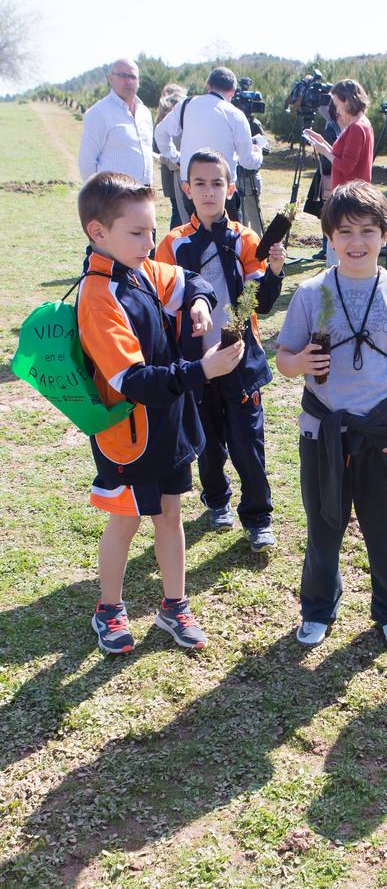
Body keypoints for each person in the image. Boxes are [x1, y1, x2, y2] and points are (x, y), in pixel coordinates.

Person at [76, 171, 245, 653]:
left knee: (170, 513)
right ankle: (108, 609)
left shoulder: (141, 268)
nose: (149, 243)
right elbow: (132, 381)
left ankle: (174, 605)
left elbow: (191, 280)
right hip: (128, 435)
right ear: (98, 232)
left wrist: (195, 301)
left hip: (168, 425)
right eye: (136, 233)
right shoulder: (98, 296)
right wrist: (202, 370)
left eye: (152, 231)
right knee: (126, 519)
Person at [275, 181, 387, 653]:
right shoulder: (313, 293)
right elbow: (283, 359)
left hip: (382, 432)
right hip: (322, 431)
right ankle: (318, 609)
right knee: (324, 528)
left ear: (386, 235)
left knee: (383, 531)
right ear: (329, 237)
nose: (356, 242)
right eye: (344, 232)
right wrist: (298, 362)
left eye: (368, 231)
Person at [156, 149, 286, 553]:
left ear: (230, 189)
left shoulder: (247, 239)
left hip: (241, 361)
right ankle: (216, 499)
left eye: (217, 184)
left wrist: (276, 271)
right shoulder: (173, 244)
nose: (209, 191)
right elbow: (162, 305)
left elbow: (260, 301)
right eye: (200, 183)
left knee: (248, 441)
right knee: (209, 445)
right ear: (186, 189)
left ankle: (258, 516)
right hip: (197, 365)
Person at [154, 67, 264, 223]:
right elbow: (247, 161)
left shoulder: (186, 105)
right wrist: (258, 154)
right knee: (228, 242)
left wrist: (175, 157)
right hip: (223, 190)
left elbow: (160, 133)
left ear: (208, 85)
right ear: (232, 91)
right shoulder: (235, 115)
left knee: (195, 237)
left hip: (192, 188)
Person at [303, 79, 375, 265]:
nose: (336, 110)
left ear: (348, 101)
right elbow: (343, 155)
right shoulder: (360, 124)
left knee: (339, 247)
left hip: (349, 197)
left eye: (337, 104)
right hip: (351, 194)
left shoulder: (357, 127)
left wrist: (324, 152)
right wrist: (323, 142)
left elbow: (346, 166)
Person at [78, 59, 153, 185]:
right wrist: (98, 195)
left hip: (143, 194)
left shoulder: (145, 113)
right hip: (113, 197)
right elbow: (86, 162)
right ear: (111, 78)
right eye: (123, 76)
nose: (128, 81)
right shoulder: (99, 112)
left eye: (132, 77)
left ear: (138, 81)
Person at [312, 100, 342, 261]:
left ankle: (326, 249)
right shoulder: (338, 126)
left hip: (331, 176)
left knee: (328, 214)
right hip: (333, 175)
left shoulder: (332, 127)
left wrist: (322, 150)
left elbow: (329, 157)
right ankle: (327, 249)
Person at [154, 83, 186, 230]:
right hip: (174, 170)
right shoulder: (169, 121)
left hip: (172, 170)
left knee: (177, 211)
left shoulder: (162, 119)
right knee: (179, 212)